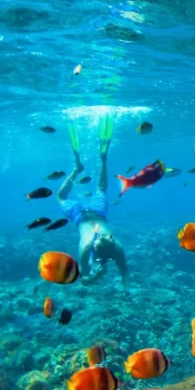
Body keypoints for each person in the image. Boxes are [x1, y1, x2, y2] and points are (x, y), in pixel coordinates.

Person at [57, 115, 128, 285]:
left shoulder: (96, 247)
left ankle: (85, 166)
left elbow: (84, 277)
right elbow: (87, 279)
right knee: (62, 197)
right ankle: (83, 166)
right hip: (81, 215)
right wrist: (97, 276)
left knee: (98, 190)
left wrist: (95, 275)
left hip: (95, 213)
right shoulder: (111, 248)